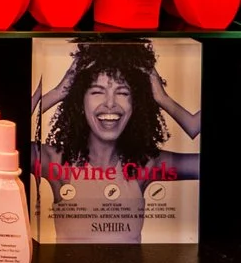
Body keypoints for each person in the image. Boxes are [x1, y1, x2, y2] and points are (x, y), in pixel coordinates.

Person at [29, 39, 202, 245]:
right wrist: (58, 93)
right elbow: (6, 135)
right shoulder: (55, 161)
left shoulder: (144, 165)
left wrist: (164, 99)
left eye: (122, 93)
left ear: (136, 104)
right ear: (79, 102)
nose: (110, 104)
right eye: (97, 92)